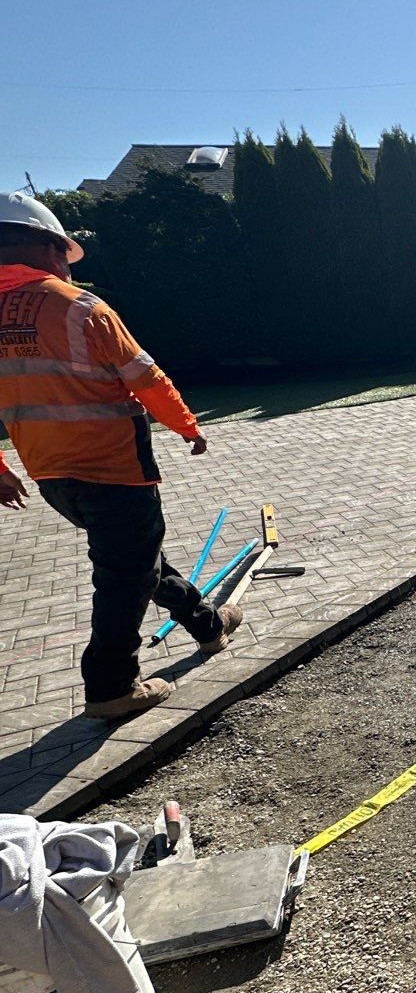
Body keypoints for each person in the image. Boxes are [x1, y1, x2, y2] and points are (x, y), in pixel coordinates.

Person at [0, 192, 241, 722]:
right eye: (64, 251)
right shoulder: (81, 308)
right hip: (113, 469)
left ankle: (208, 624)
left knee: (135, 559)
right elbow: (146, 379)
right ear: (44, 247)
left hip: (50, 475)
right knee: (125, 575)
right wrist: (187, 427)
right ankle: (110, 685)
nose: (67, 263)